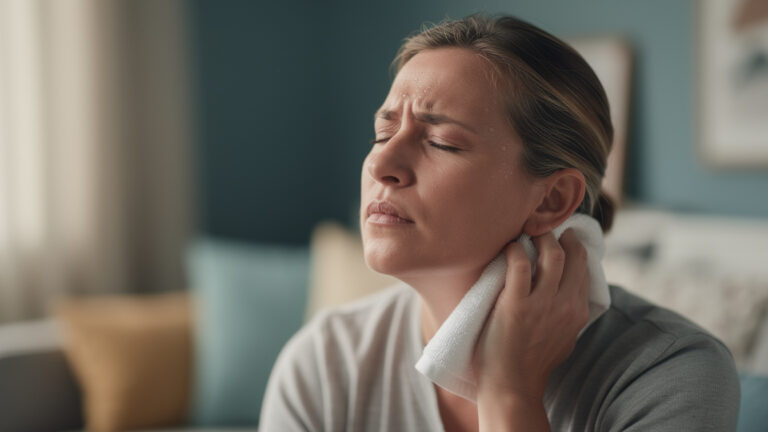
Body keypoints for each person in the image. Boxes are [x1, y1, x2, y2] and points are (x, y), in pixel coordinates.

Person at [259, 15, 740, 431]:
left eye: (442, 142)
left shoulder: (667, 373)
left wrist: (509, 394)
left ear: (551, 200)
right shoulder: (323, 364)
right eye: (383, 132)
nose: (382, 163)